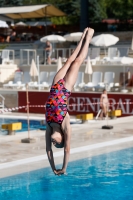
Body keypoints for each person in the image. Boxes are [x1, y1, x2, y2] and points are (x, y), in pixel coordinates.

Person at [45, 27, 94, 176]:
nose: (53, 142)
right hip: (65, 88)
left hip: (55, 86)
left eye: (54, 143)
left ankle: (83, 35)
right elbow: (67, 149)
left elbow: (48, 150)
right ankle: (88, 38)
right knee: (78, 61)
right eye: (56, 143)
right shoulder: (65, 125)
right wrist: (63, 168)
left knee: (69, 59)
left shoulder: (48, 126)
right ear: (62, 139)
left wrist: (53, 167)